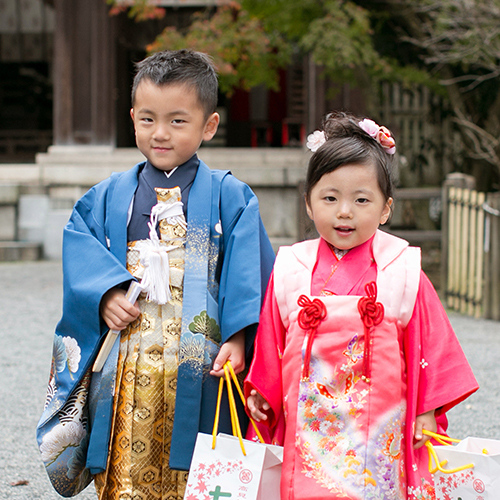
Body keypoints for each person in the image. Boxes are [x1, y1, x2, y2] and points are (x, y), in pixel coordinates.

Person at [36, 49, 275, 500]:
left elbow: (250, 275)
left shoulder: (231, 196)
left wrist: (241, 338)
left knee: (204, 470)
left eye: (178, 121)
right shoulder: (108, 196)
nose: (160, 133)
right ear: (132, 118)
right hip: (128, 358)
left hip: (204, 360)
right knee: (126, 462)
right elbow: (81, 245)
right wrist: (105, 295)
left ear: (209, 126)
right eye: (147, 119)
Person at [245, 112, 478, 500]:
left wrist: (426, 411)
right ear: (308, 203)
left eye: (361, 199)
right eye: (330, 198)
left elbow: (430, 349)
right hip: (309, 421)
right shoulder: (291, 266)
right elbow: (272, 341)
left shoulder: (402, 268)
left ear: (385, 209)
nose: (345, 212)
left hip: (378, 425)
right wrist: (262, 392)